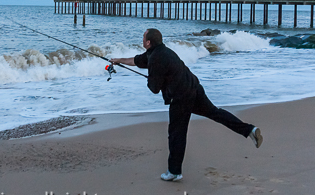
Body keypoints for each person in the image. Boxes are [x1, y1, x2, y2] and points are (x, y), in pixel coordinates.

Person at [110, 28, 262, 182]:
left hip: (181, 96)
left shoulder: (156, 58)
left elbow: (154, 88)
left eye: (143, 38)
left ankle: (174, 172)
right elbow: (136, 61)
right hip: (194, 88)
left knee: (177, 133)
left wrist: (151, 78)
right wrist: (118, 60)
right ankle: (249, 129)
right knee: (215, 112)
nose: (142, 40)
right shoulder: (159, 51)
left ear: (148, 42)